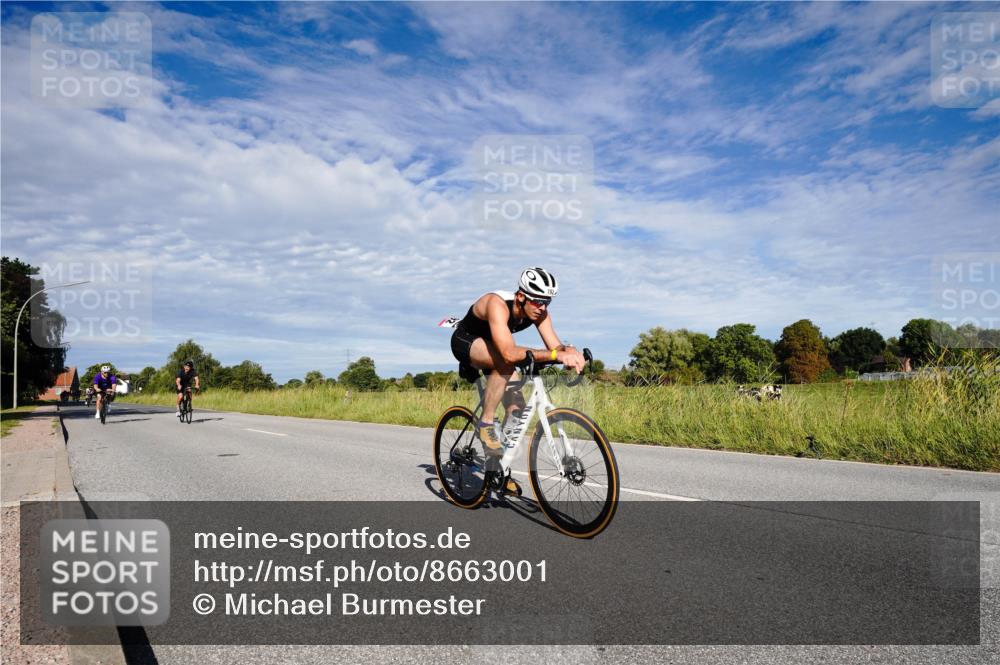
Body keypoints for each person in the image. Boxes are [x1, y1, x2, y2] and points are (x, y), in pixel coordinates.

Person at [450, 268, 585, 492]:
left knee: (517, 409)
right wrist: (554, 355)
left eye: (547, 302)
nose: (542, 307)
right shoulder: (497, 304)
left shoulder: (540, 312)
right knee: (506, 361)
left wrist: (569, 351)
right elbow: (509, 353)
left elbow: (555, 347)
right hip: (467, 342)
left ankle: (498, 468)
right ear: (521, 297)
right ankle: (486, 421)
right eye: (538, 301)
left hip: (496, 346)